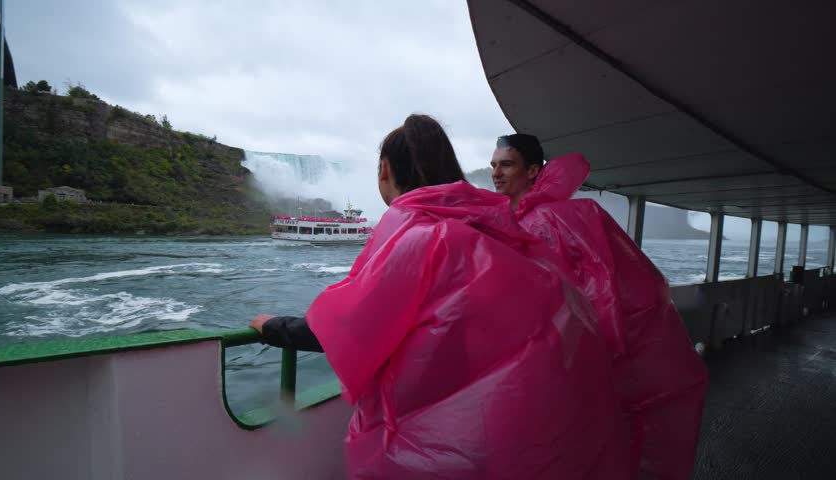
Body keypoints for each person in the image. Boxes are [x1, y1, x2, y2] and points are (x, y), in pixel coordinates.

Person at [249, 115, 629, 479]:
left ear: (384, 171)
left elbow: (347, 330)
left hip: (444, 451)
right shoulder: (499, 228)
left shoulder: (420, 239)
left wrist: (271, 327)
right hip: (521, 435)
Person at [492, 133, 708, 480]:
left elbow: (598, 289)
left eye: (506, 164)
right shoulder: (513, 223)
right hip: (536, 362)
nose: (496, 173)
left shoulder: (552, 221)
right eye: (493, 165)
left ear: (532, 170)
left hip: (558, 364)